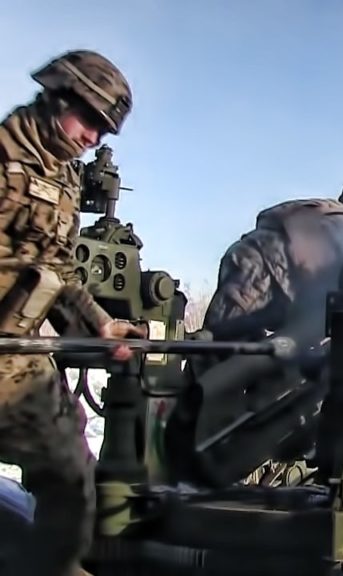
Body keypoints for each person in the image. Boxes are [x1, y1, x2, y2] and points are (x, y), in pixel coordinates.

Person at [0, 50, 144, 576]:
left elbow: (60, 268)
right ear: (57, 96)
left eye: (104, 131)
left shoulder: (62, 178)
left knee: (71, 475)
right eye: (89, 122)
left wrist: (99, 325)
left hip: (18, 360)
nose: (93, 139)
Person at [202, 175, 343, 341]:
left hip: (251, 261)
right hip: (261, 272)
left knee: (239, 348)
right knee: (219, 344)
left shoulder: (324, 211)